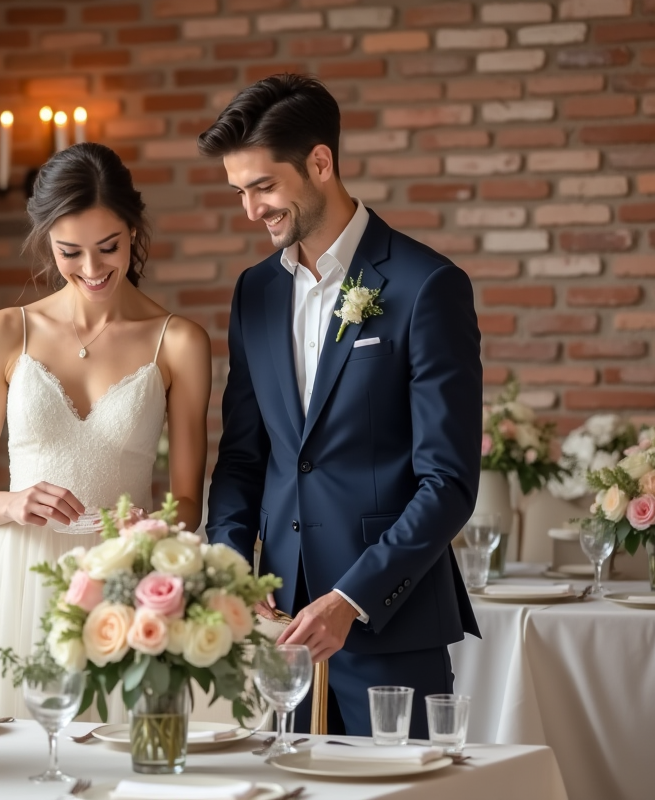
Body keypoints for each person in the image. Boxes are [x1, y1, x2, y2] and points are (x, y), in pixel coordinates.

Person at [199, 74, 481, 738]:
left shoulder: (427, 286)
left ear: (321, 163)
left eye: (263, 187)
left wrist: (351, 599)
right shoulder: (255, 293)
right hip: (279, 636)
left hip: (390, 628)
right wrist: (233, 567)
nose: (250, 211)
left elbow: (448, 481)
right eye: (239, 192)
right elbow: (243, 456)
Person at [0, 143, 212, 718]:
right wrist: (12, 502)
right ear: (46, 238)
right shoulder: (6, 332)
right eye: (70, 252)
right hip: (14, 578)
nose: (93, 269)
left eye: (110, 248)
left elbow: (188, 502)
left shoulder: (178, 341)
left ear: (133, 230)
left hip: (125, 580)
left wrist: (149, 527)